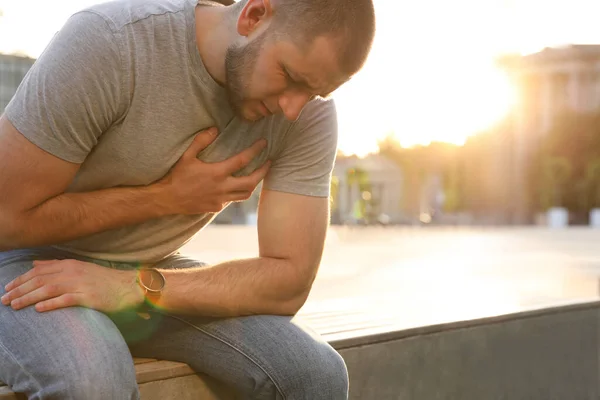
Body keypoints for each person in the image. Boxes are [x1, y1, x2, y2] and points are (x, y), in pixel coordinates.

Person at [0, 0, 375, 398]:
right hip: (23, 261)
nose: (293, 108)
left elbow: (289, 281)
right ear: (254, 15)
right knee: (93, 384)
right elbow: (6, 218)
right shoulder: (113, 42)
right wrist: (164, 198)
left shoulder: (308, 116)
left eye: (315, 93)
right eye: (289, 76)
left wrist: (133, 286)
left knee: (317, 373)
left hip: (144, 273)